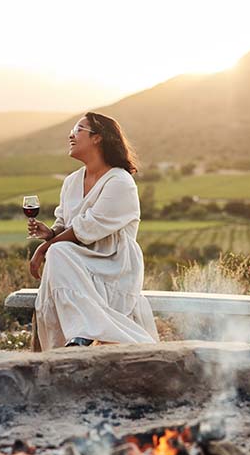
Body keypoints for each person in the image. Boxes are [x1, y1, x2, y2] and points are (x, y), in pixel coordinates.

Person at [27, 112, 159, 350]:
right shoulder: (71, 182)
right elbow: (65, 224)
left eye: (78, 129)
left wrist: (45, 248)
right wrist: (50, 233)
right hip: (76, 262)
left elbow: (87, 228)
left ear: (98, 138)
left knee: (57, 253)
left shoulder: (120, 181)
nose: (71, 135)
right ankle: (78, 335)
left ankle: (83, 333)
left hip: (113, 265)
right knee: (59, 253)